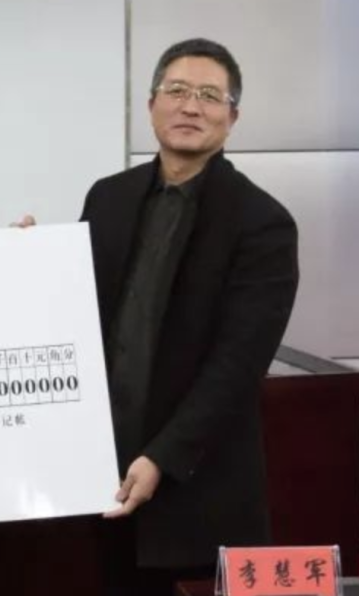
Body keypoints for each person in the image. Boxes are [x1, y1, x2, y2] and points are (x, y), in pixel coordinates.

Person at [86, 38, 298, 595]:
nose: (190, 106)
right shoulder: (106, 199)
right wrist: (27, 260)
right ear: (151, 104)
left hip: (195, 489)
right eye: (176, 90)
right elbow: (78, 317)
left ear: (233, 117)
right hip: (98, 481)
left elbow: (237, 367)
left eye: (209, 95)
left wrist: (161, 457)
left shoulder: (263, 222)